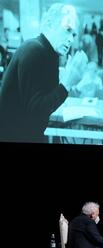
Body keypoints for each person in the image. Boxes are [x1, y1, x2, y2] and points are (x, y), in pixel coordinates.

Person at [0, 3, 87, 143]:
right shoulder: (35, 51)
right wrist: (67, 83)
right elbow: (37, 110)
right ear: (49, 24)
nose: (71, 39)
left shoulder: (47, 52)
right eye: (67, 30)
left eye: (74, 34)